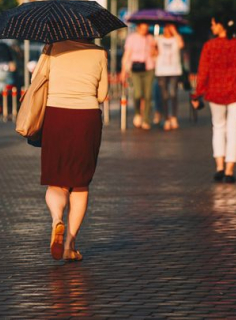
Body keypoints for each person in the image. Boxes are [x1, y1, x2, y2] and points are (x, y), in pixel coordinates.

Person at [38, 39, 108, 262]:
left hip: (56, 115)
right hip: (86, 118)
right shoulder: (99, 53)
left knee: (56, 180)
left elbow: (36, 80)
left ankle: (57, 218)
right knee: (79, 182)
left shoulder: (52, 48)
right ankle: (69, 244)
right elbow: (102, 93)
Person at [191, 17, 236, 183]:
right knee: (234, 129)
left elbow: (203, 71)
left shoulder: (209, 46)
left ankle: (219, 166)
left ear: (221, 25)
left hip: (216, 92)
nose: (212, 26)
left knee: (218, 127)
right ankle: (229, 170)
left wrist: (197, 94)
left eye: (213, 24)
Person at [121, 23, 157, 130]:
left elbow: (155, 54)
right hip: (135, 69)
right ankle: (137, 113)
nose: (144, 31)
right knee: (137, 93)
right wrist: (123, 70)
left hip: (149, 68)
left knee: (148, 95)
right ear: (138, 28)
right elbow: (127, 54)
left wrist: (154, 47)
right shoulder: (131, 38)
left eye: (146, 29)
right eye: (142, 29)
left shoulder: (150, 38)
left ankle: (146, 119)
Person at [156, 24, 184, 131]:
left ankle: (174, 117)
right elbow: (153, 51)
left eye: (171, 27)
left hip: (174, 70)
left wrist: (175, 32)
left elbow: (181, 45)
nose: (168, 29)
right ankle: (166, 118)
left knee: (173, 94)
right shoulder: (158, 39)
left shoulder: (177, 38)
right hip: (161, 71)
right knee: (164, 96)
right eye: (167, 26)